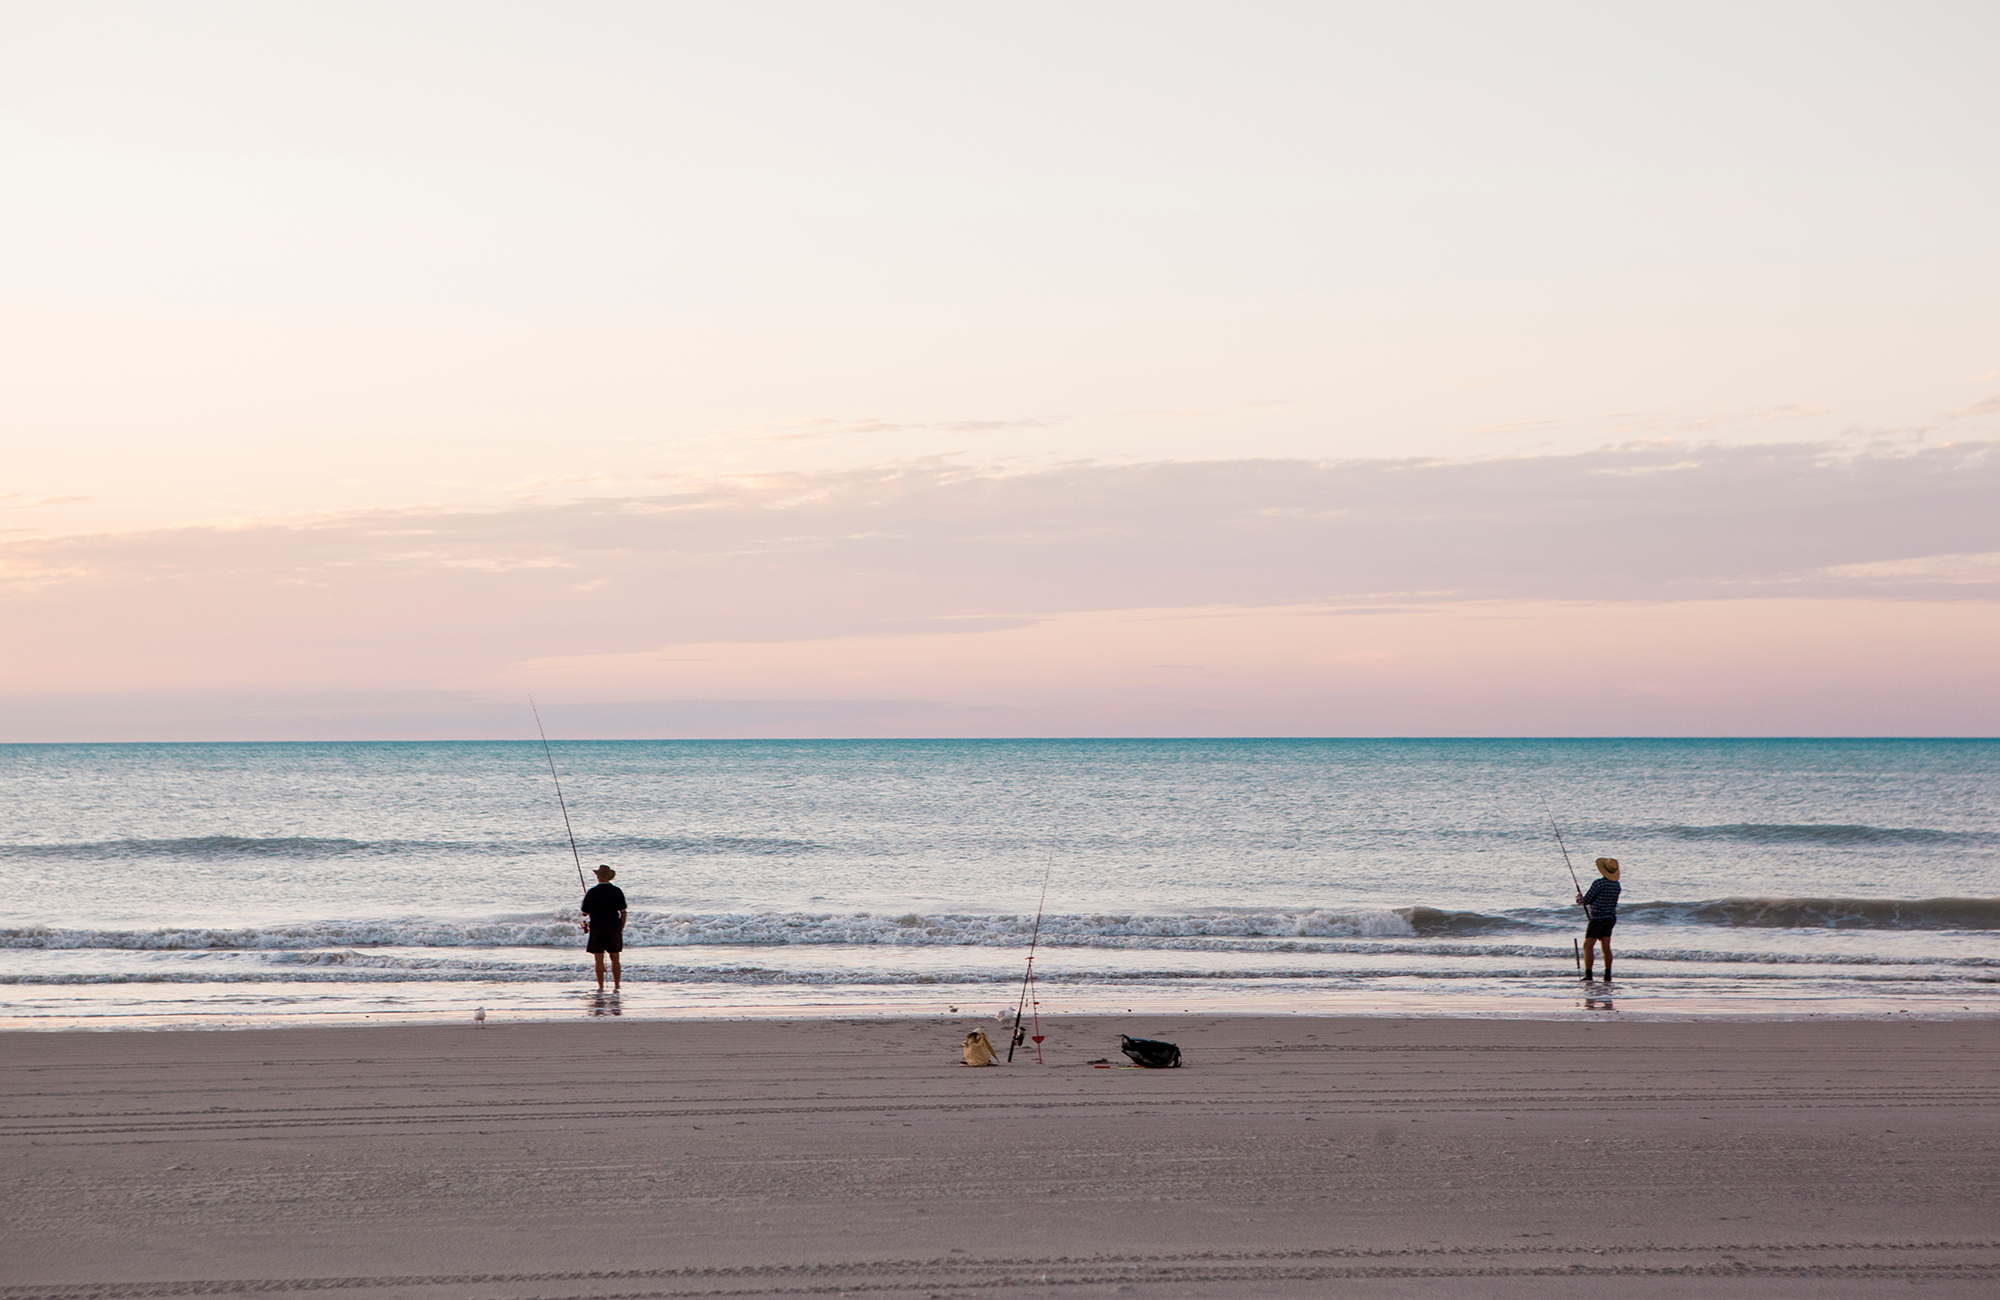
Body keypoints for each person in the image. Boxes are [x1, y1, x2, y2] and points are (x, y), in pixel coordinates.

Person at [581, 865, 627, 992]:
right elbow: (623, 911)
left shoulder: (592, 892)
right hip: (613, 927)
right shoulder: (617, 891)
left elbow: (584, 912)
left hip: (597, 927)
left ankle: (601, 986)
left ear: (598, 877)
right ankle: (617, 986)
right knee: (615, 958)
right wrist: (620, 928)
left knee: (599, 958)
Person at [1577, 857, 1621, 981]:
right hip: (1610, 919)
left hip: (1597, 919)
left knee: (1588, 946)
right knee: (1606, 947)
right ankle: (1607, 975)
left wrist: (1579, 899)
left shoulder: (1599, 883)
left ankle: (1588, 975)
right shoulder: (1617, 885)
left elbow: (1587, 900)